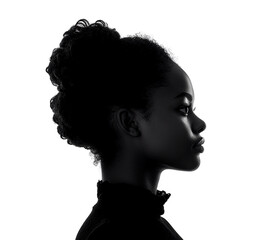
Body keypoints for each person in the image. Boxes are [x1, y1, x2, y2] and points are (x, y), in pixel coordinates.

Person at [46, 19, 206, 240]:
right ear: (130, 122)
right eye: (183, 109)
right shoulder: (120, 232)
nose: (200, 124)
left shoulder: (129, 222)